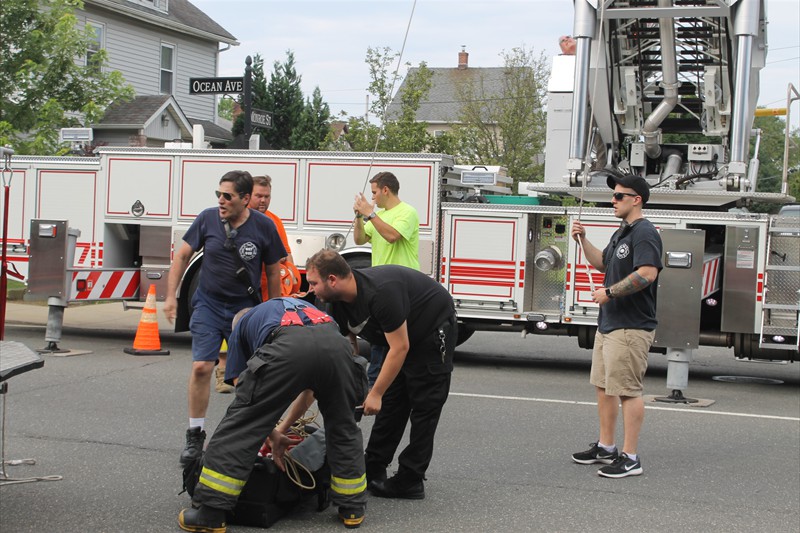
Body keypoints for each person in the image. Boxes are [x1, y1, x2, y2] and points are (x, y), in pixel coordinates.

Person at [178, 298, 368, 531]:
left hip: (289, 346)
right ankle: (352, 508)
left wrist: (268, 431)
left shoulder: (241, 327)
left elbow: (249, 404)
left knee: (240, 427)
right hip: (337, 347)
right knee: (343, 425)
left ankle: (210, 514)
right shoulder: (301, 307)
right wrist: (279, 431)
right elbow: (311, 387)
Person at [305, 250, 456, 500]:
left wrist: (374, 393)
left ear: (332, 279)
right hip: (400, 336)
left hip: (431, 329)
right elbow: (347, 345)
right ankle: (374, 466)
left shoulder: (381, 294)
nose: (310, 289)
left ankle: (411, 479)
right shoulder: (335, 300)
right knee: (392, 403)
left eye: (313, 283)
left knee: (424, 406)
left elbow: (400, 347)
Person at [164, 170, 286, 468]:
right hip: (208, 304)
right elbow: (182, 256)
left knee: (247, 378)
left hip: (244, 309)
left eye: (227, 196)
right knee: (202, 367)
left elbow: (273, 272)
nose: (221, 200)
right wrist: (170, 296)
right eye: (218, 194)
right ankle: (194, 435)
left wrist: (276, 311)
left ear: (245, 199)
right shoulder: (207, 219)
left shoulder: (264, 226)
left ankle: (259, 435)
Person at [570, 172, 663, 478]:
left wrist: (609, 293)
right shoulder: (622, 232)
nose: (613, 200)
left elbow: (647, 273)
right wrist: (583, 239)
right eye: (613, 195)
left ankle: (631, 457)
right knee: (604, 387)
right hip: (610, 324)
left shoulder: (644, 233)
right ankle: (606, 447)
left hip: (630, 326)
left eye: (619, 196)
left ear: (636, 200)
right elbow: (602, 263)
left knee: (628, 392)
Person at [353, 171, 420, 386]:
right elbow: (360, 239)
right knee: (380, 343)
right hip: (381, 288)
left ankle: (386, 387)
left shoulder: (407, 212)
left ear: (385, 190)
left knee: (395, 342)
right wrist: (359, 217)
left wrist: (370, 214)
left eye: (374, 193)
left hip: (403, 288)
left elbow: (392, 236)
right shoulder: (379, 216)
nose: (372, 197)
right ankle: (375, 387)